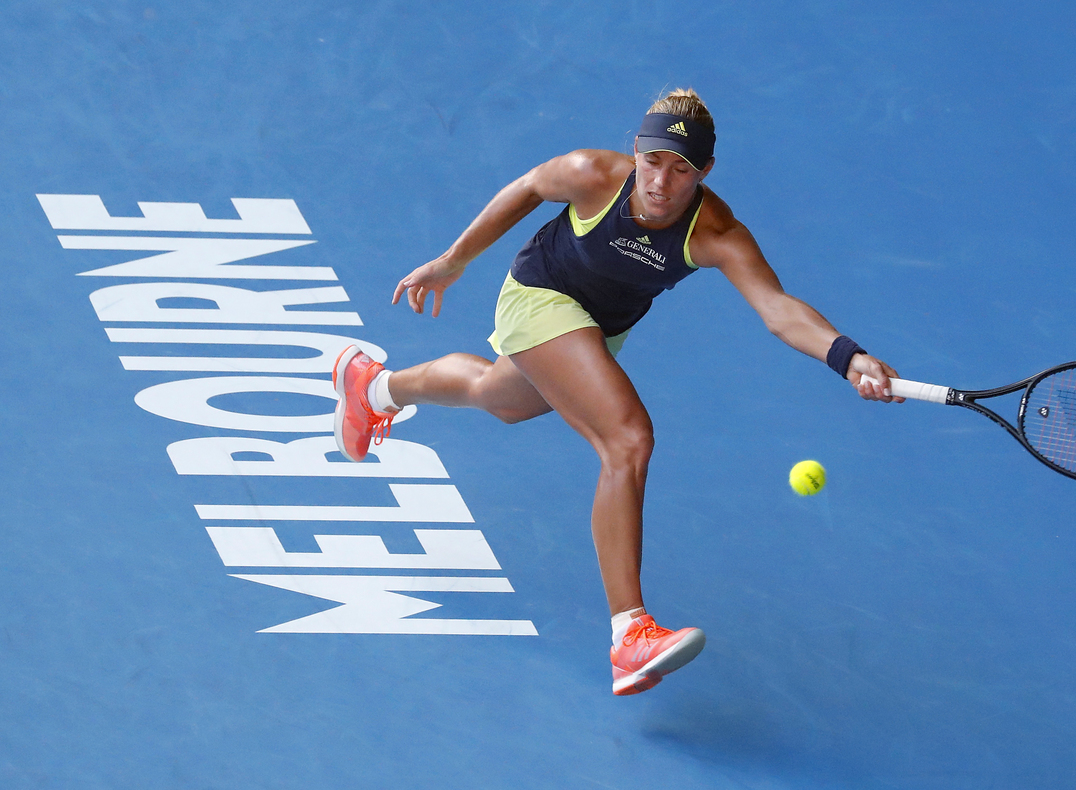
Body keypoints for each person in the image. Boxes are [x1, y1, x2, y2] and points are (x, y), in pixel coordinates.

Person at [332, 89, 902, 696]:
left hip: (599, 327)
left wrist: (848, 357)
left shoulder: (715, 231)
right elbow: (528, 187)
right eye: (653, 160)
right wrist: (454, 260)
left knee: (499, 397)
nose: (661, 181)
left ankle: (374, 388)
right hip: (540, 296)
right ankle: (630, 634)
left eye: (681, 168)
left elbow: (778, 308)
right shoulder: (593, 174)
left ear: (704, 171)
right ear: (636, 150)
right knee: (626, 440)